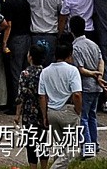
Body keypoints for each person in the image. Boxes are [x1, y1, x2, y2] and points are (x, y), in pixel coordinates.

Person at [37, 37, 82, 169]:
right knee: (71, 148)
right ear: (69, 55)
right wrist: (78, 111)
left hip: (52, 111)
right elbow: (77, 94)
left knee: (59, 147)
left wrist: (45, 115)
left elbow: (41, 96)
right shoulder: (72, 70)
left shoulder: (45, 72)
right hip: (68, 110)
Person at [66, 15, 103, 157]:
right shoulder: (93, 44)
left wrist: (93, 74)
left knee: (83, 117)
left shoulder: (76, 48)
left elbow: (80, 69)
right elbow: (101, 61)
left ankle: (87, 148)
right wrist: (99, 75)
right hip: (96, 87)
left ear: (71, 30)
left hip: (85, 87)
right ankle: (95, 144)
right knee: (92, 116)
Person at [0, 0, 32, 114]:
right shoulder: (24, 0)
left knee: (15, 73)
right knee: (25, 71)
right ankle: (26, 102)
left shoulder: (7, 3)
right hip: (26, 37)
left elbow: (8, 25)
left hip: (15, 39)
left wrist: (4, 43)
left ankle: (15, 105)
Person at [16, 44, 47, 168]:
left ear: (31, 57)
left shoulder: (25, 73)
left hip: (29, 113)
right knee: (43, 141)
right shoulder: (46, 72)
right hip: (43, 111)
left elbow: (21, 96)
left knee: (31, 143)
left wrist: (17, 115)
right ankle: (44, 166)